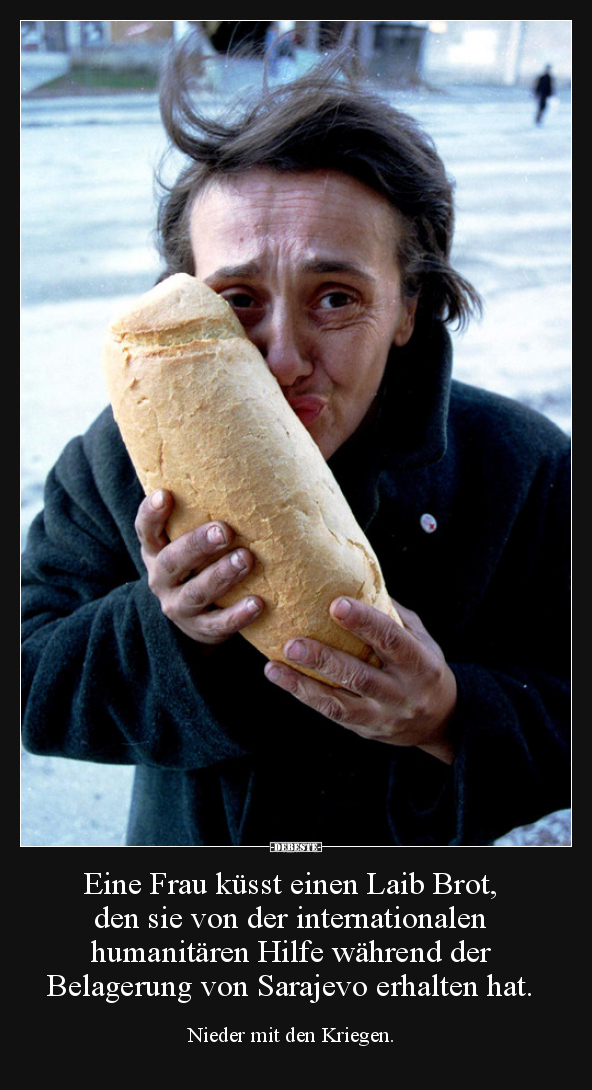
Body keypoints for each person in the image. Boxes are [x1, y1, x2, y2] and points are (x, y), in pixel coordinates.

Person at [21, 48, 570, 847]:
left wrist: (449, 717)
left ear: (408, 307)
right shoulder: (118, 464)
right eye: (237, 301)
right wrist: (168, 625)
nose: (281, 356)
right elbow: (32, 682)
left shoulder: (521, 469)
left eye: (337, 298)